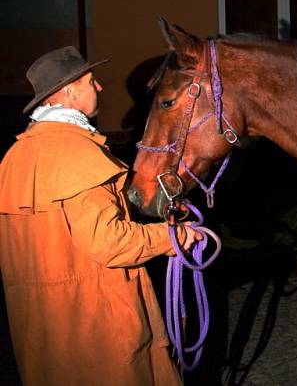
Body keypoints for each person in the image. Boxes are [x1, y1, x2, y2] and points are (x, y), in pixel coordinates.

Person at [0, 46, 200, 385]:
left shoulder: (17, 154)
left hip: (44, 327)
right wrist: (174, 237)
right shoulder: (76, 152)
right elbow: (108, 241)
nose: (100, 88)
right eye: (91, 81)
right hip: (96, 326)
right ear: (68, 91)